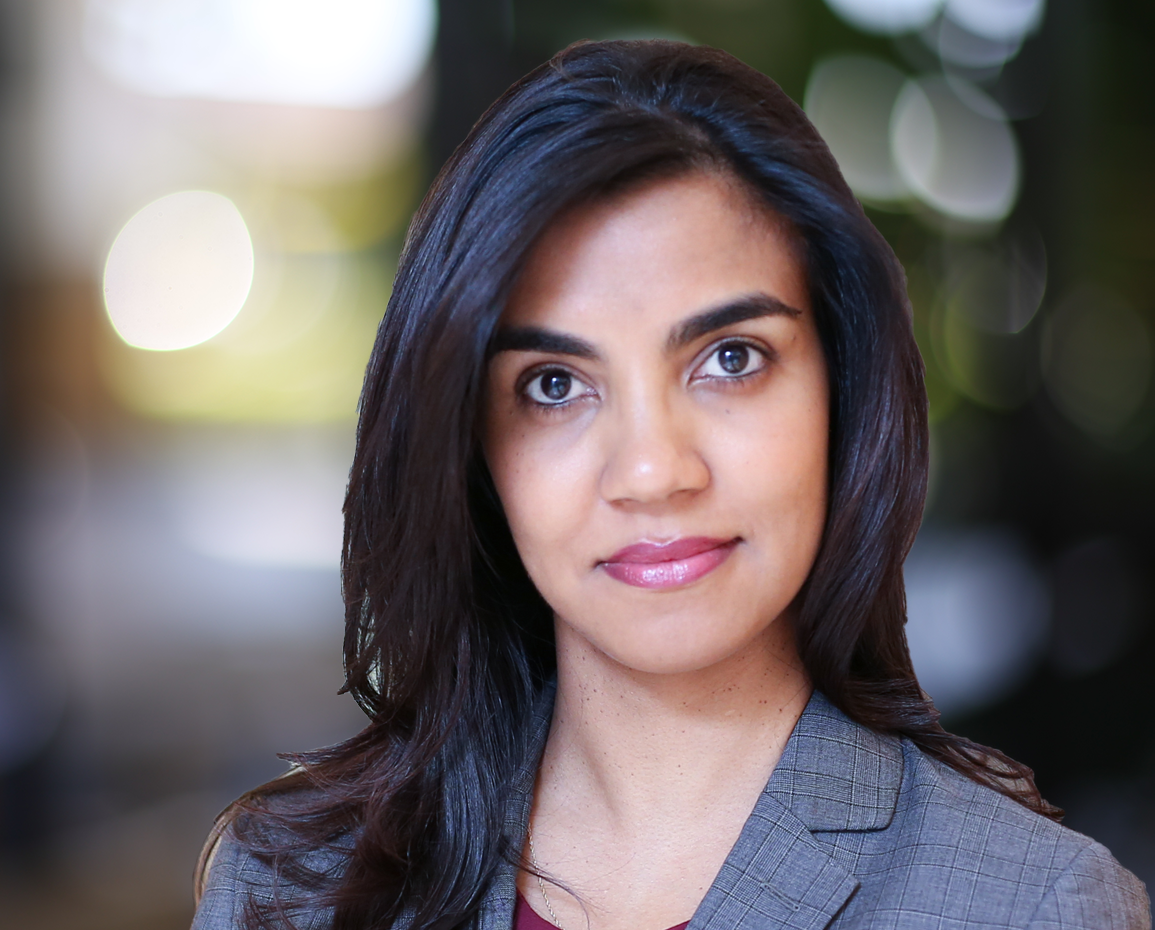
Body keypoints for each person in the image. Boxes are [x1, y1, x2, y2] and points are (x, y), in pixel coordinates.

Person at [191, 40, 1149, 930]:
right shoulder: (287, 890)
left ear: (843, 393)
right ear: (471, 450)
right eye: (554, 387)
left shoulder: (1033, 905)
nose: (652, 472)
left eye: (729, 358)